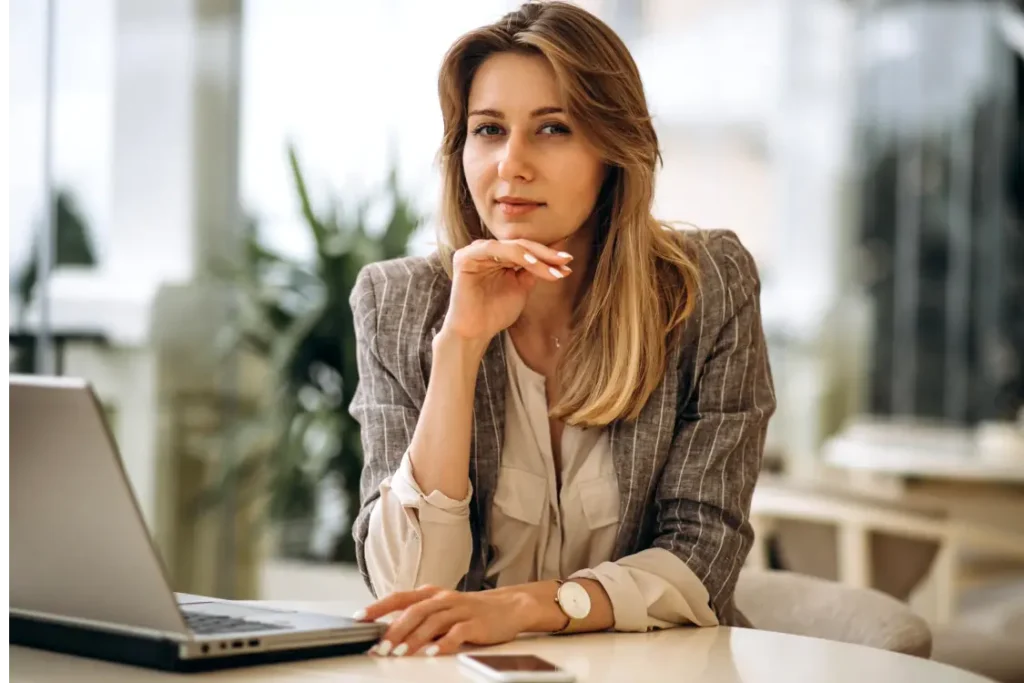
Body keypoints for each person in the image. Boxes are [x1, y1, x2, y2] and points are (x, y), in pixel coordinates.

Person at [347, 0, 775, 658]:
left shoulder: (706, 287)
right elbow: (408, 589)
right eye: (488, 130)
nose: (510, 164)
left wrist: (524, 606)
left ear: (613, 149)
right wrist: (458, 348)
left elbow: (702, 559)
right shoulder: (399, 301)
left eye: (552, 129)